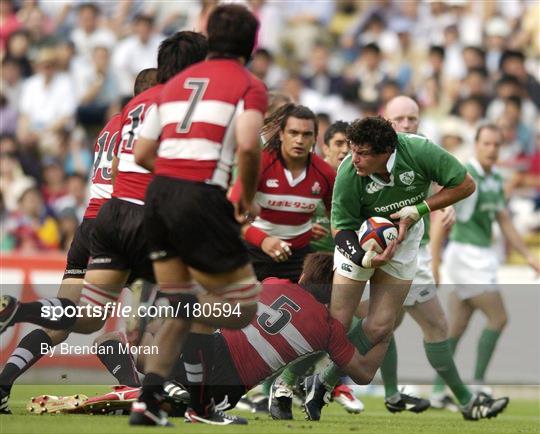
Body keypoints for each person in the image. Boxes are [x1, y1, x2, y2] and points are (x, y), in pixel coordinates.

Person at [130, 4, 267, 427]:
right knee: (243, 307)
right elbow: (248, 144)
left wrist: (174, 179)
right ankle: (163, 317)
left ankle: (147, 404)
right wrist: (244, 195)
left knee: (182, 302)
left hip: (158, 197)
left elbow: (142, 152)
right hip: (201, 196)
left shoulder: (173, 84)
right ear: (251, 44)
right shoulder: (249, 84)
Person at [0, 68, 158, 414]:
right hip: (123, 224)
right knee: (161, 311)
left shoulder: (113, 124)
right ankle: (143, 389)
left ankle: (3, 380)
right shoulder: (150, 120)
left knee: (68, 322)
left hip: (89, 225)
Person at [303, 115, 476, 421]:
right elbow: (340, 229)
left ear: (387, 151)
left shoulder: (420, 152)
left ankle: (323, 383)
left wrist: (421, 208)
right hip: (358, 238)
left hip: (404, 241)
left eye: (363, 153)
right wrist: (365, 258)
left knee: (381, 325)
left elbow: (465, 184)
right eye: (352, 149)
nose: (353, 158)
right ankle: (286, 381)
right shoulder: (348, 171)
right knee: (339, 321)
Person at [363, 96, 510, 417]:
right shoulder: (368, 160)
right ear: (385, 124)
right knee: (423, 326)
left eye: (412, 119)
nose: (406, 125)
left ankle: (392, 393)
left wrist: (447, 205)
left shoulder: (421, 151)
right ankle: (466, 400)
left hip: (414, 254)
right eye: (398, 120)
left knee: (386, 327)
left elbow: (445, 186)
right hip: (386, 257)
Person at [432, 124, 540, 397]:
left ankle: (436, 390)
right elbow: (439, 218)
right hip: (465, 256)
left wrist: (528, 255)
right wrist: (434, 262)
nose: (492, 149)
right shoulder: (464, 177)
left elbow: (503, 220)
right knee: (499, 316)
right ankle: (478, 384)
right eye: (487, 144)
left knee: (457, 325)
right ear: (476, 145)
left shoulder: (494, 180)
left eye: (496, 144)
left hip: (483, 257)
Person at [269, 121, 364, 418]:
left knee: (371, 325)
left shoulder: (358, 180)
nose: (344, 151)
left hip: (347, 262)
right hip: (311, 264)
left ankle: (318, 383)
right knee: (318, 329)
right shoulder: (318, 178)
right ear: (325, 147)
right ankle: (284, 387)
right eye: (338, 144)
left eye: (349, 146)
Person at [230, 103, 336, 283]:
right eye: (293, 133)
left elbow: (337, 216)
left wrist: (303, 230)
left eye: (306, 134)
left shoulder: (325, 174)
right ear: (281, 135)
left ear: (315, 138)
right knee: (243, 308)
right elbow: (229, 215)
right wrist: (264, 240)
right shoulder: (259, 164)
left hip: (298, 259)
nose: (299, 140)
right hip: (254, 252)